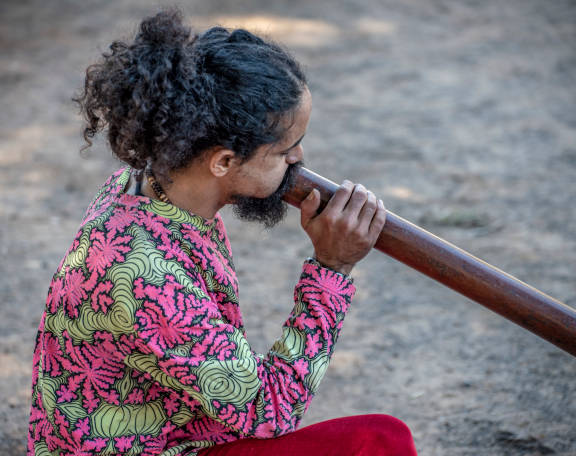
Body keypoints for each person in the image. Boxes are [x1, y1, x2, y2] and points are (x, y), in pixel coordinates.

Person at [27, 9, 418, 456]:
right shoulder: (145, 275)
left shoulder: (150, 187)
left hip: (170, 431)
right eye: (286, 149)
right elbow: (268, 411)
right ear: (224, 162)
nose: (301, 159)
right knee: (378, 443)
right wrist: (333, 267)